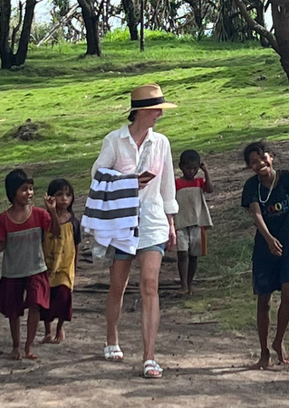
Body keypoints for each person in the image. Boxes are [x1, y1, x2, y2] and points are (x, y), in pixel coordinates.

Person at [92, 83, 178, 379]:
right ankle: (111, 337)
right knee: (118, 285)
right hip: (122, 222)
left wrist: (171, 221)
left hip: (153, 220)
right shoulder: (114, 140)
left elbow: (168, 183)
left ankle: (149, 357)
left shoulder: (162, 143)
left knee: (150, 285)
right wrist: (128, 181)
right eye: (156, 109)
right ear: (141, 110)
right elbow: (98, 174)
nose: (159, 115)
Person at [240, 141, 289, 370]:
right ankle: (264, 351)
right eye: (253, 162)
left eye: (262, 158)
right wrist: (269, 239)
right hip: (264, 248)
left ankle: (279, 340)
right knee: (264, 300)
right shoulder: (252, 186)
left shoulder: (288, 178)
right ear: (250, 167)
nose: (259, 164)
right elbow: (256, 214)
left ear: (271, 157)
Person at [0, 169, 57, 361]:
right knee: (13, 311)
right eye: (24, 189)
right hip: (12, 272)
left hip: (36, 269)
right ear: (12, 192)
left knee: (35, 305)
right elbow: (2, 244)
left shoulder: (39, 215)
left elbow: (55, 231)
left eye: (31, 189)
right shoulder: (3, 219)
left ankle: (29, 345)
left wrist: (52, 210)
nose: (29, 193)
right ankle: (15, 345)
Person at [40, 178, 81, 344]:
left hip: (65, 266)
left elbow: (76, 245)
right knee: (46, 299)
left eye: (68, 195)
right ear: (51, 197)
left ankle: (60, 328)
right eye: (59, 194)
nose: (64, 198)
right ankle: (48, 330)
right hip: (47, 265)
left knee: (63, 297)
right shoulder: (45, 219)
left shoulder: (74, 222)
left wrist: (75, 266)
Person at [174, 149, 213, 295]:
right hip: (181, 223)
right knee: (182, 253)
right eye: (188, 168)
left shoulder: (199, 182)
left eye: (194, 168)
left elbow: (210, 189)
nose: (191, 171)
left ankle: (190, 284)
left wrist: (206, 172)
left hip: (197, 222)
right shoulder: (176, 183)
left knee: (194, 255)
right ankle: (183, 284)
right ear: (181, 167)